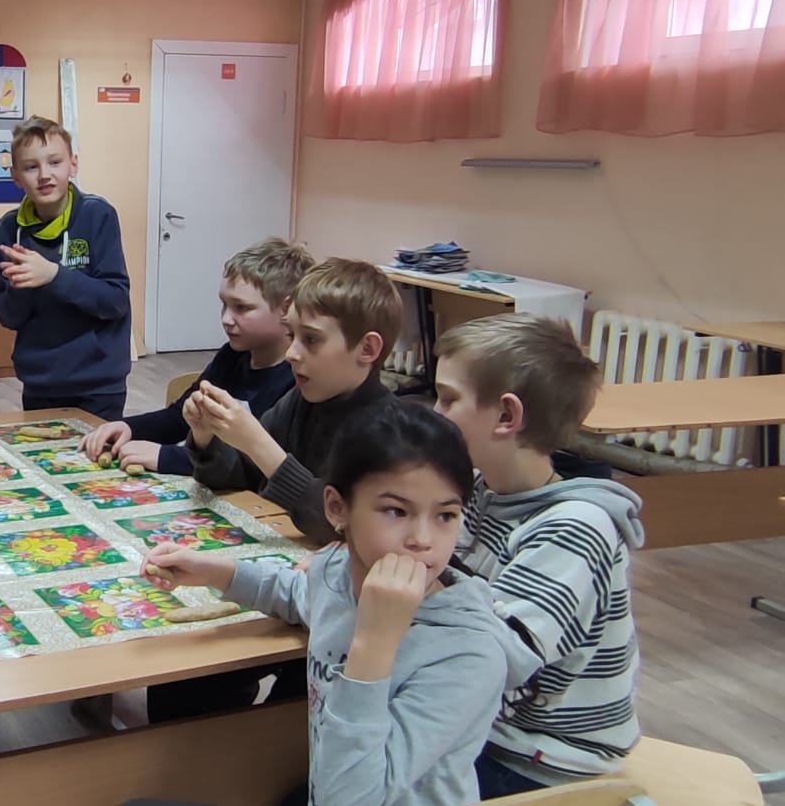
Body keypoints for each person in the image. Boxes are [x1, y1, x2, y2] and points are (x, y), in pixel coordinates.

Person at [146, 403, 541, 806]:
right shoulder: (336, 572)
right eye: (397, 511)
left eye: (445, 516)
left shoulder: (467, 655)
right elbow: (299, 594)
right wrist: (217, 573)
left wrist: (373, 644)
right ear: (336, 508)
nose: (423, 539)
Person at [432, 314, 645, 797]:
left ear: (506, 416)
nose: (435, 413)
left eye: (448, 399)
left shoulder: (575, 528)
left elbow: (499, 659)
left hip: (538, 757)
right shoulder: (481, 490)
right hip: (482, 726)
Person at [187, 257, 401, 543]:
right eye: (291, 335)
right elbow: (236, 478)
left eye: (310, 339)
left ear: (367, 349)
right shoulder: (299, 402)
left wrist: (258, 444)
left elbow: (342, 527)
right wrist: (206, 436)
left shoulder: (391, 432)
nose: (291, 354)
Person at [81, 237, 313, 474]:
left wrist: (168, 457)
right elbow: (181, 417)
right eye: (224, 304)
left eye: (242, 308)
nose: (226, 319)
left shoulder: (300, 379)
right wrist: (129, 427)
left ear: (287, 309)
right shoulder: (231, 357)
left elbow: (257, 464)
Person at [0, 116, 130, 421]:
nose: (44, 175)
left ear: (73, 165)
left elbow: (115, 300)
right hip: (40, 382)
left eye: (54, 162)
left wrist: (53, 275)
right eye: (31, 167)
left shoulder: (97, 215)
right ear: (15, 176)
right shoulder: (6, 230)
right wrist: (20, 286)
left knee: (98, 453)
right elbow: (9, 317)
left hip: (99, 383)